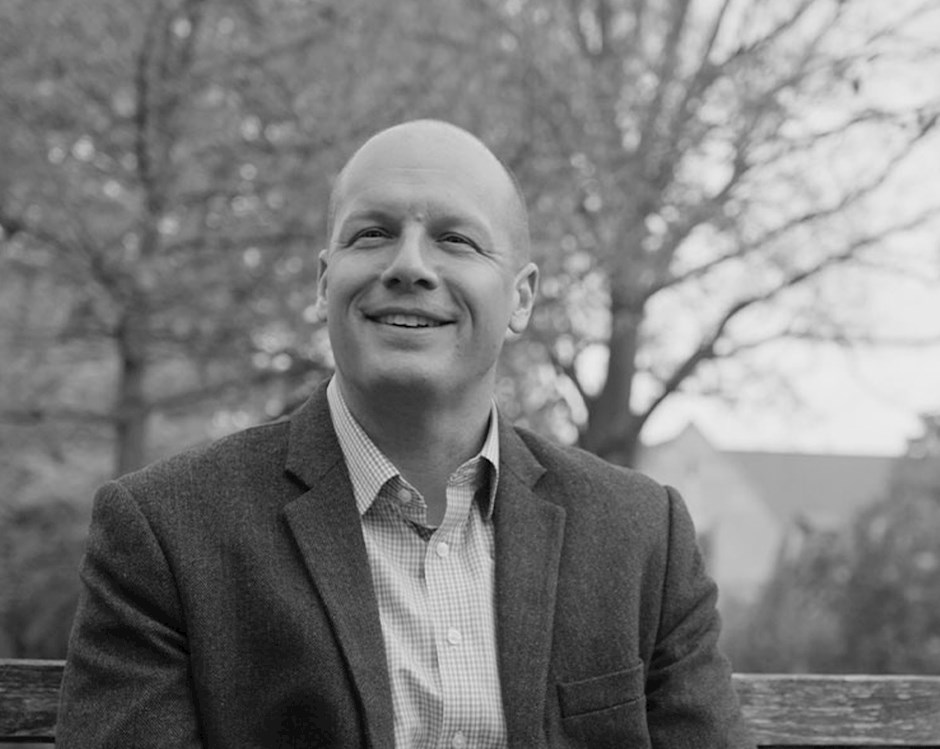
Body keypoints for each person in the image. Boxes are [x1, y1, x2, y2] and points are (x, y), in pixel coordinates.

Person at [57, 119, 754, 748]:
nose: (410, 266)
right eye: (372, 234)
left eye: (456, 240)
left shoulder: (643, 537)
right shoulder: (166, 533)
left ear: (521, 298)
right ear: (324, 282)